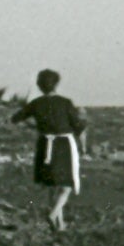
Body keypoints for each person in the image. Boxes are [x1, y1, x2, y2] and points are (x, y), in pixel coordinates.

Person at [12, 69, 87, 231]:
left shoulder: (36, 103)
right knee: (66, 185)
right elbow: (78, 126)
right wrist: (83, 145)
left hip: (44, 143)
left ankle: (59, 225)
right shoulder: (65, 102)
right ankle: (54, 214)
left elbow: (15, 119)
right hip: (63, 144)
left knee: (51, 185)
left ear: (39, 86)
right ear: (56, 84)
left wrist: (35, 126)